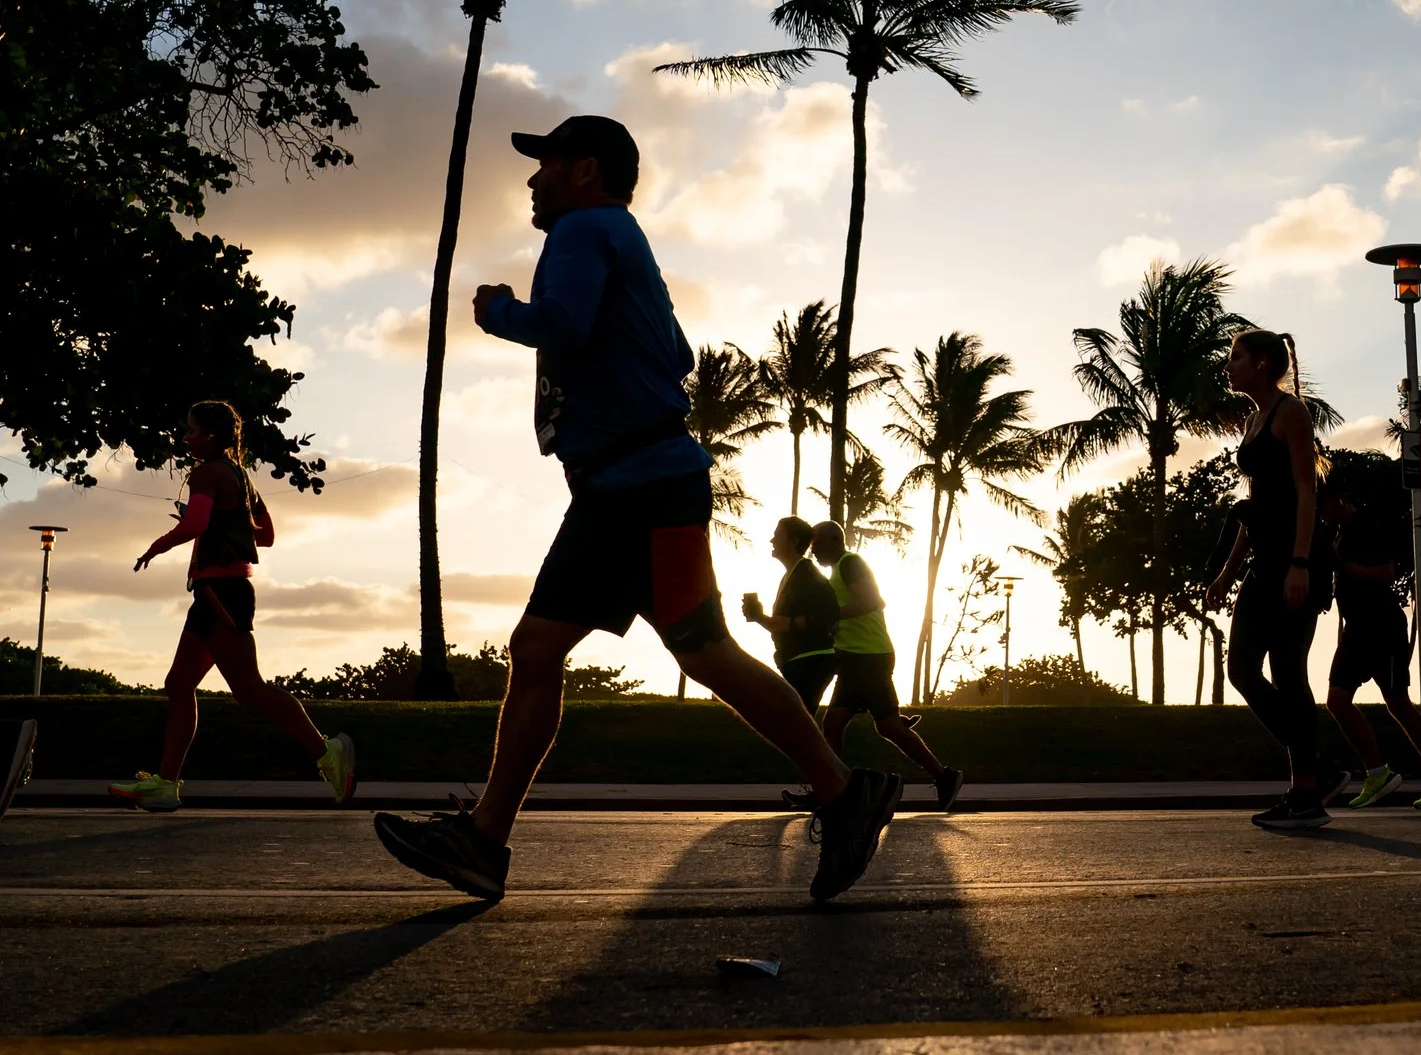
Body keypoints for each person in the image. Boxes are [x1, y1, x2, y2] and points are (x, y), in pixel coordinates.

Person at [370, 115, 897, 903]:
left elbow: (568, 323)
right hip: (658, 480)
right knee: (706, 650)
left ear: (584, 170)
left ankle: (483, 840)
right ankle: (843, 791)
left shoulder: (583, 229)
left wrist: (501, 312)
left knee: (538, 646)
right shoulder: (624, 236)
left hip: (630, 487)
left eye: (544, 164)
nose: (532, 180)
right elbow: (674, 351)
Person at [113, 400, 356, 813]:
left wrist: (155, 547)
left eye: (191, 431)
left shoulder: (205, 472)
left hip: (222, 593)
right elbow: (267, 535)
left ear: (209, 435)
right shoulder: (242, 478)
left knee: (249, 690)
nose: (186, 437)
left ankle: (328, 751)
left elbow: (195, 526)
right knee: (178, 685)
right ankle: (166, 785)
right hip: (216, 592)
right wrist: (224, 524)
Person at [1206, 328, 1332, 830]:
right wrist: (1227, 571)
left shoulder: (1290, 413)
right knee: (1241, 669)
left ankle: (1306, 792)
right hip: (1264, 564)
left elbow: (1307, 492)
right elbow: (1256, 509)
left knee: (1288, 673)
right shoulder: (1256, 421)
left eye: (1236, 357)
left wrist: (1300, 564)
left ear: (1261, 363)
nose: (1229, 364)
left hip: (1295, 563)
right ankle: (1313, 773)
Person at [811, 521, 961, 812]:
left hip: (869, 655)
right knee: (836, 723)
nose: (813, 549)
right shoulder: (837, 571)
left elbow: (873, 601)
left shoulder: (849, 563)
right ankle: (835, 790)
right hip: (854, 657)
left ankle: (944, 777)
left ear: (834, 541)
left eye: (817, 543)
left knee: (888, 726)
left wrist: (832, 616)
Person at [1321, 482, 1421, 808]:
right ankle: (1378, 773)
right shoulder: (1340, 533)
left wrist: (1343, 567)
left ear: (1340, 499)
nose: (1321, 514)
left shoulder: (1364, 527)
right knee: (1337, 701)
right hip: (1356, 630)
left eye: (1323, 507)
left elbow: (1387, 572)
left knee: (1398, 704)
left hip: (1382, 628)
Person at [743, 516, 841, 705]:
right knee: (794, 724)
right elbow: (782, 626)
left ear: (794, 541)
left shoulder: (806, 573)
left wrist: (795, 623)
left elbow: (831, 613)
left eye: (778, 536)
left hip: (810, 661)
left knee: (793, 724)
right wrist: (758, 616)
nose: (772, 541)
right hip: (797, 660)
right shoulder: (792, 575)